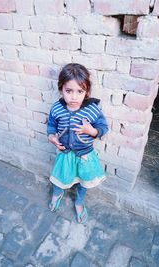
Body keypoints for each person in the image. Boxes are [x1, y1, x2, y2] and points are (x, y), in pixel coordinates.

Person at [47, 63, 109, 223]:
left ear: (86, 91)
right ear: (61, 89)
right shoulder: (57, 108)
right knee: (59, 177)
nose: (74, 97)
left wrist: (92, 131)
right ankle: (57, 193)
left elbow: (103, 127)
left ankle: (79, 201)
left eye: (79, 91)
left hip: (85, 155)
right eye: (69, 91)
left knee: (84, 181)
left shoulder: (92, 110)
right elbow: (51, 124)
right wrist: (52, 136)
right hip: (65, 153)